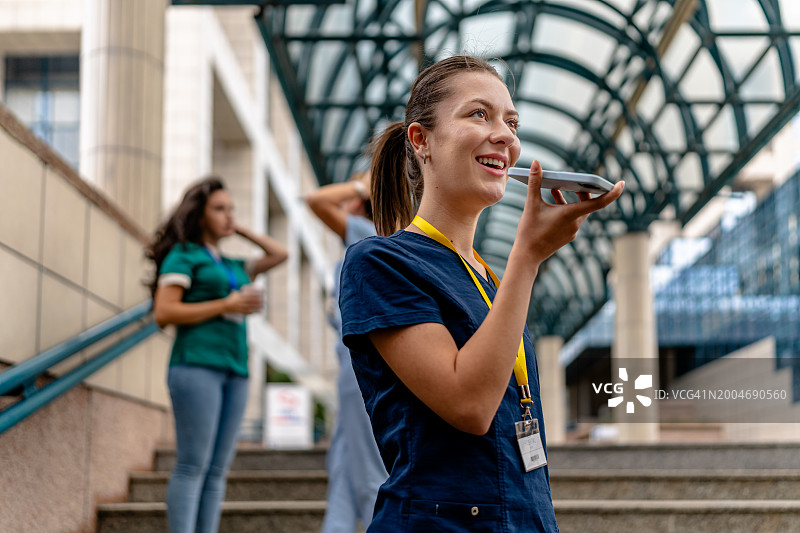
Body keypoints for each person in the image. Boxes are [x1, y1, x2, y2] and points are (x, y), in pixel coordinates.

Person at [338, 56, 624, 532]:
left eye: (511, 122)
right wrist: (527, 258)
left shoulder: (490, 280)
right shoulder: (379, 264)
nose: (506, 136)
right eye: (479, 114)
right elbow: (470, 406)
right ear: (420, 140)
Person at [146, 177, 288, 533]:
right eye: (219, 209)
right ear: (200, 213)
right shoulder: (184, 255)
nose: (228, 215)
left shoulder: (234, 265)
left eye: (232, 209)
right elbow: (164, 313)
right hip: (196, 365)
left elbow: (279, 254)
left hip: (235, 369)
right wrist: (227, 302)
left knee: (217, 470)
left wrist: (238, 229)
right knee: (192, 465)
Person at [306, 171, 388, 532]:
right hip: (352, 377)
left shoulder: (366, 235)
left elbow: (316, 201)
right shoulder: (360, 245)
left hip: (362, 378)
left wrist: (364, 183)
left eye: (353, 191)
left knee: (372, 475)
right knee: (342, 472)